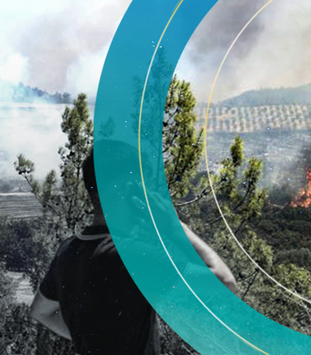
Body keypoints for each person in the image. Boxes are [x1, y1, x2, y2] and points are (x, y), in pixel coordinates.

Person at [30, 145, 237, 354]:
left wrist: (91, 341)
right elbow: (225, 282)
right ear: (127, 191)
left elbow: (41, 312)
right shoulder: (134, 256)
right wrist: (174, 227)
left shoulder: (67, 252)